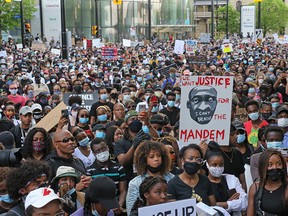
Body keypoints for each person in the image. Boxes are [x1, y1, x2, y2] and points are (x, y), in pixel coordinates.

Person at [126, 141, 174, 215]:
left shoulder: (172, 179)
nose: (156, 159)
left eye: (159, 156)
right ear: (145, 160)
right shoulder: (135, 183)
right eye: (152, 156)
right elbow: (130, 211)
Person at [205, 143, 248, 215]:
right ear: (207, 164)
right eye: (214, 165)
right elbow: (204, 207)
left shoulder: (232, 179)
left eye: (221, 165)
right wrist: (231, 203)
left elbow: (244, 202)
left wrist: (225, 204)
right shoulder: (203, 182)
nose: (218, 168)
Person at [87, 138, 127, 214]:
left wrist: (119, 205)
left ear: (108, 148)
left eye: (103, 148)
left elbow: (123, 190)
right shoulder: (89, 171)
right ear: (93, 153)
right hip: (99, 210)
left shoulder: (119, 168)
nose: (102, 152)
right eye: (98, 151)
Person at [247, 149, 288, 215]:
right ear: (263, 167)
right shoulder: (255, 188)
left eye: (279, 164)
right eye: (270, 165)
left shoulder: (286, 189)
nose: (275, 167)